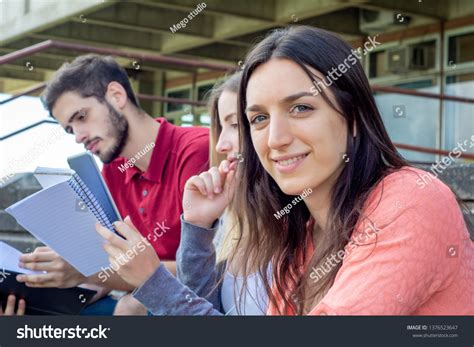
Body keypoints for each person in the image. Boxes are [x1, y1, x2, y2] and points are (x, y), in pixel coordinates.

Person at [96, 26, 474, 315]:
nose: (275, 138)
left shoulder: (409, 202)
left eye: (301, 108)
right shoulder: (303, 231)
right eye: (258, 118)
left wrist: (153, 281)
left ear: (354, 117)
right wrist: (196, 231)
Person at [15, 54, 209, 315]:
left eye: (81, 117)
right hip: (139, 298)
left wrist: (90, 272)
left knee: (129, 309)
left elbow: (207, 271)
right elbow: (112, 265)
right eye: (70, 129)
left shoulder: (197, 151)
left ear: (117, 96)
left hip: (191, 304)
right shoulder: (114, 171)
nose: (79, 137)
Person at [176, 71, 269, 315]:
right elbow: (203, 308)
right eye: (221, 126)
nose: (220, 145)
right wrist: (197, 226)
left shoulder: (307, 221)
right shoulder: (233, 217)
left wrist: (150, 280)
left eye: (236, 124)